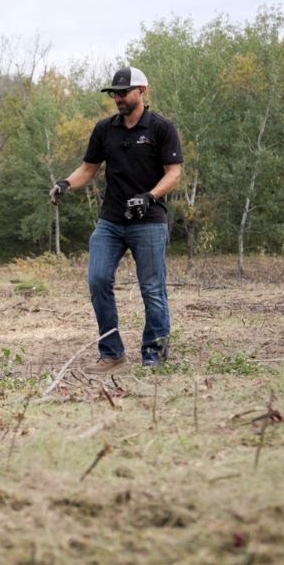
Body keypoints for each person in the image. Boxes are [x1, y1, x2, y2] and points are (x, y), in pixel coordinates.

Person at [48, 66, 183, 373]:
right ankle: (112, 353)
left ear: (142, 91)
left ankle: (154, 354)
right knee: (97, 279)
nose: (118, 98)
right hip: (111, 221)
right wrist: (65, 184)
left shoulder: (161, 128)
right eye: (114, 94)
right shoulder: (104, 129)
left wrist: (150, 196)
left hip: (149, 221)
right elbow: (88, 168)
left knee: (152, 288)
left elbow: (174, 173)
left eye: (124, 93)